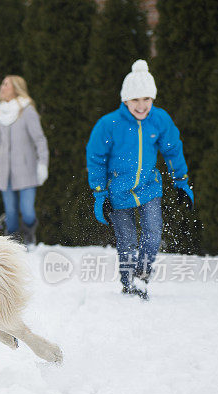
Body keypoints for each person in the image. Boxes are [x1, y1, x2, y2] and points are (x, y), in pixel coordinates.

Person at [86, 59, 194, 299]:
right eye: (135, 99)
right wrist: (100, 193)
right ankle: (128, 282)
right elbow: (96, 158)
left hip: (148, 187)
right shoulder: (109, 124)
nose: (142, 105)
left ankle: (142, 276)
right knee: (127, 240)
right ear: (125, 100)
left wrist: (181, 182)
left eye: (147, 99)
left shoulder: (160, 119)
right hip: (118, 191)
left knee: (153, 233)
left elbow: (173, 150)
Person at [0, 75, 49, 246]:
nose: (2, 87)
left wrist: (42, 164)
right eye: (2, 83)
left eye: (6, 84)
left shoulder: (26, 110)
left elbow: (40, 139)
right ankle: (13, 242)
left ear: (16, 88)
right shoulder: (0, 112)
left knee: (27, 210)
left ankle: (29, 236)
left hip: (26, 169)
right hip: (4, 171)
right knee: (11, 212)